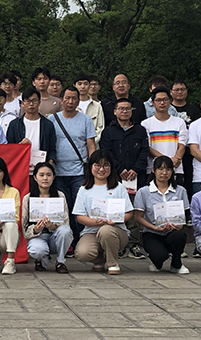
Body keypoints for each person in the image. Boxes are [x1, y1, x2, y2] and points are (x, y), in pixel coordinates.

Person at [97, 97, 149, 260]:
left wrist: (135, 169)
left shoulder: (140, 130)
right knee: (116, 210)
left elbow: (144, 152)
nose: (124, 111)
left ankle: (134, 244)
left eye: (127, 109)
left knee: (133, 210)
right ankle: (118, 244)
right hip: (115, 177)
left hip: (136, 178)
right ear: (115, 112)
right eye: (121, 108)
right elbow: (107, 152)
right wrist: (119, 169)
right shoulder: (108, 132)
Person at [49, 86, 97, 253]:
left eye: (74, 98)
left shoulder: (85, 120)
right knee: (64, 208)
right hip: (58, 172)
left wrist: (93, 168)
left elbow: (91, 146)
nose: (70, 101)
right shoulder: (52, 119)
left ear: (78, 101)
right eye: (67, 98)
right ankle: (67, 243)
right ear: (61, 99)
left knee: (80, 208)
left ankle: (81, 241)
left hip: (79, 172)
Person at [73, 151, 134, 275]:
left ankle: (113, 263)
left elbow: (129, 213)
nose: (101, 169)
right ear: (91, 167)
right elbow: (79, 216)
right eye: (97, 165)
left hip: (116, 230)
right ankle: (99, 260)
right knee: (82, 253)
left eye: (106, 165)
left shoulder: (119, 187)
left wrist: (116, 220)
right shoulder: (84, 189)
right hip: (92, 231)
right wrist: (94, 222)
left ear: (111, 167)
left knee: (106, 230)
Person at [133, 156, 190, 274]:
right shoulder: (143, 192)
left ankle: (176, 263)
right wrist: (154, 227)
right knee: (159, 256)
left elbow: (185, 213)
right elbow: (138, 217)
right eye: (161, 169)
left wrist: (180, 225)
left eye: (168, 169)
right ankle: (156, 261)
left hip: (173, 232)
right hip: (152, 233)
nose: (164, 172)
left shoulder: (181, 191)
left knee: (179, 236)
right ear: (153, 170)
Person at [21, 162, 72, 273]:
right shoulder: (28, 198)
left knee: (65, 231)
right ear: (35, 177)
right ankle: (41, 259)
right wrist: (35, 229)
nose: (45, 178)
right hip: (38, 237)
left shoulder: (60, 196)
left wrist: (52, 226)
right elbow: (24, 228)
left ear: (53, 177)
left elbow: (66, 223)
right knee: (37, 250)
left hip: (55, 236)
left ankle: (60, 262)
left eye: (49, 175)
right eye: (41, 175)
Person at [141, 87, 188, 188]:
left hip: (176, 169)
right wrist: (167, 162)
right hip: (154, 169)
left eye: (165, 99)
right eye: (158, 100)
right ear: (153, 102)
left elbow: (182, 145)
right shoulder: (146, 124)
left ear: (170, 101)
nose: (162, 103)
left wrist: (175, 160)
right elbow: (148, 147)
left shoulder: (179, 122)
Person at [6, 88, 58, 176]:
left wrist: (49, 165)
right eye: (28, 101)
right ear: (22, 103)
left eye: (34, 101)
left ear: (39, 102)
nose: (31, 104)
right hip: (20, 170)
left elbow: (52, 147)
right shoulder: (14, 124)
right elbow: (9, 148)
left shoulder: (48, 125)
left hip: (41, 172)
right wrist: (20, 146)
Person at [74, 73, 106, 141]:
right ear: (74, 85)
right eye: (79, 84)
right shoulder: (71, 105)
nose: (83, 86)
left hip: (94, 144)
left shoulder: (97, 106)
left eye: (86, 84)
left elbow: (100, 128)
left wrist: (91, 141)